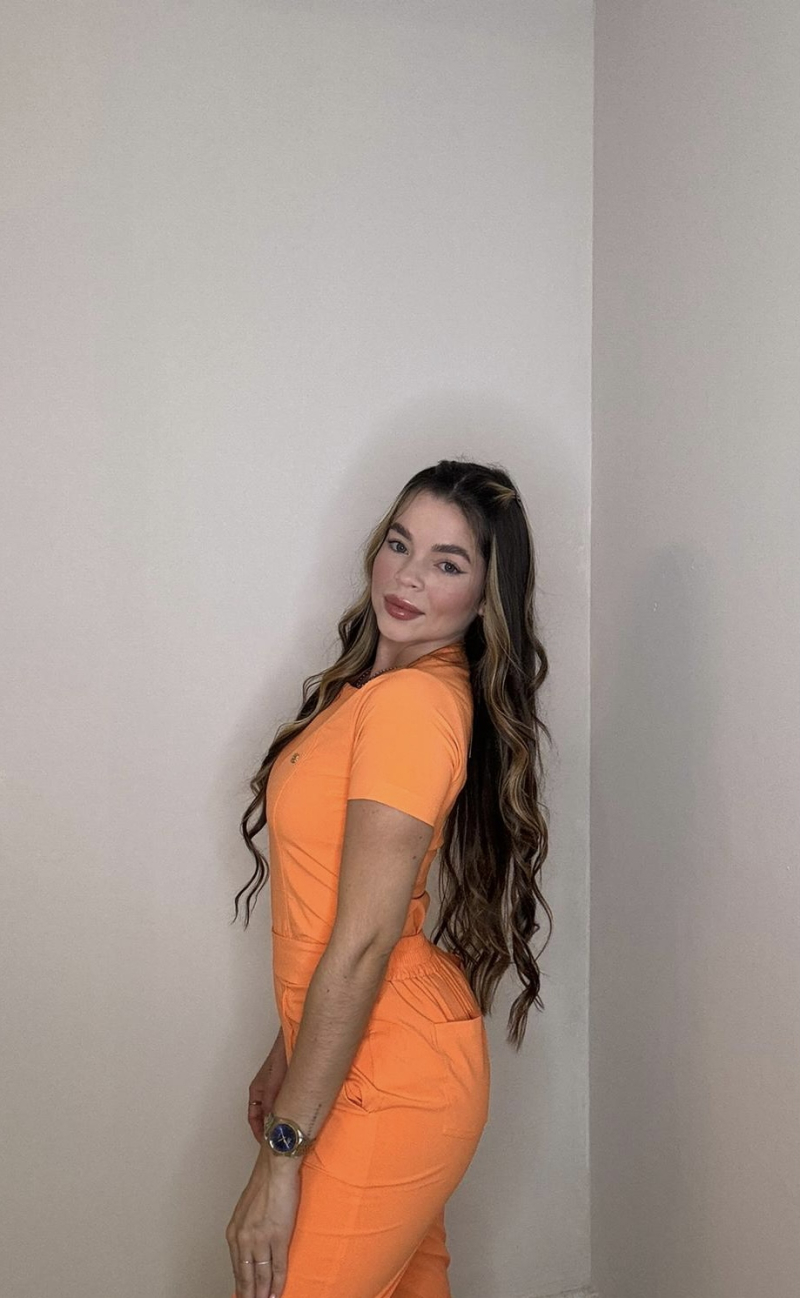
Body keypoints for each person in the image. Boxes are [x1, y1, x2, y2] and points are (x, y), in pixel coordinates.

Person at [226, 458, 552, 1298]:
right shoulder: (377, 692)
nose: (408, 577)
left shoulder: (411, 708)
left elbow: (367, 938)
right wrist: (286, 1048)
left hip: (390, 1075)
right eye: (400, 544)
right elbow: (333, 906)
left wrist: (280, 1158)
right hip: (364, 1049)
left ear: (484, 598)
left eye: (448, 562)